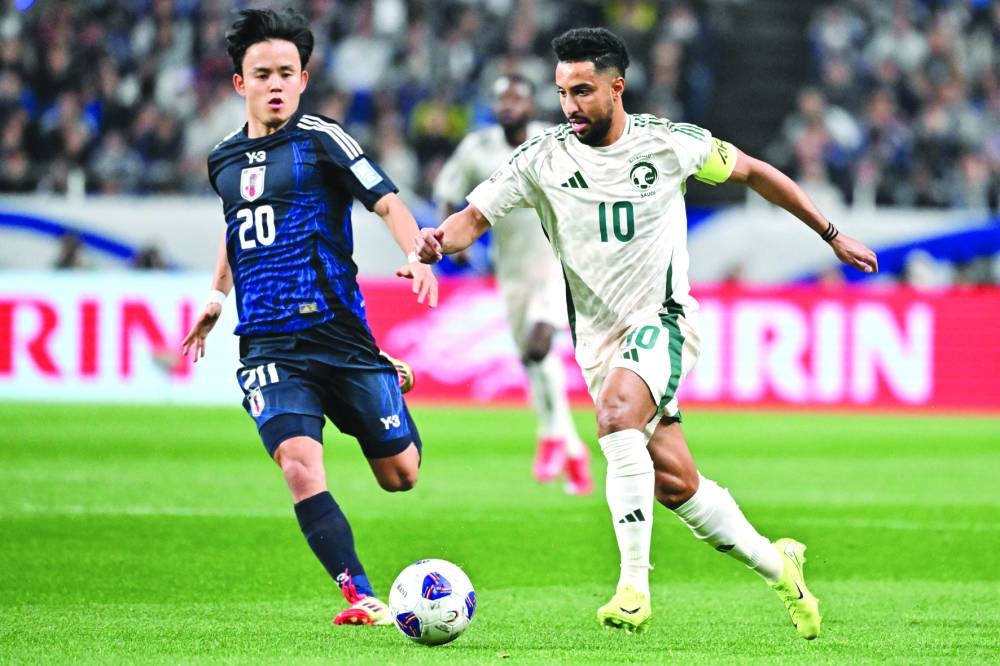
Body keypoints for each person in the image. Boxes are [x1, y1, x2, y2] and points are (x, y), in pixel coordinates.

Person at [416, 27, 879, 639]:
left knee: (614, 419)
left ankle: (634, 586)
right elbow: (473, 217)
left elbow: (756, 172)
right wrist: (433, 245)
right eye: (562, 92)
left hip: (664, 322)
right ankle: (780, 566)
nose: (570, 106)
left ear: (617, 86)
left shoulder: (669, 145)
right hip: (598, 343)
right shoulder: (542, 159)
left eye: (583, 91)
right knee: (677, 485)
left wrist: (830, 234)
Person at [181, 8, 436, 627]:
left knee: (401, 475)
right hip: (268, 344)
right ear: (240, 83)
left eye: (286, 73)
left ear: (303, 79)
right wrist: (216, 298)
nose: (275, 84)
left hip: (339, 334)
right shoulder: (222, 160)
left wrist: (414, 253)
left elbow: (387, 200)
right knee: (299, 462)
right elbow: (236, 228)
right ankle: (361, 596)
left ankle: (383, 378)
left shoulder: (323, 139)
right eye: (261, 73)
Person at [434, 74, 593, 495]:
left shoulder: (555, 140)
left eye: (516, 97)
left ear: (530, 105)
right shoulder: (478, 148)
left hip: (561, 263)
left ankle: (552, 438)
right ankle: (570, 446)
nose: (508, 104)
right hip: (513, 269)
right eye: (501, 97)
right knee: (533, 360)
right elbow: (449, 191)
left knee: (540, 345)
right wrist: (457, 242)